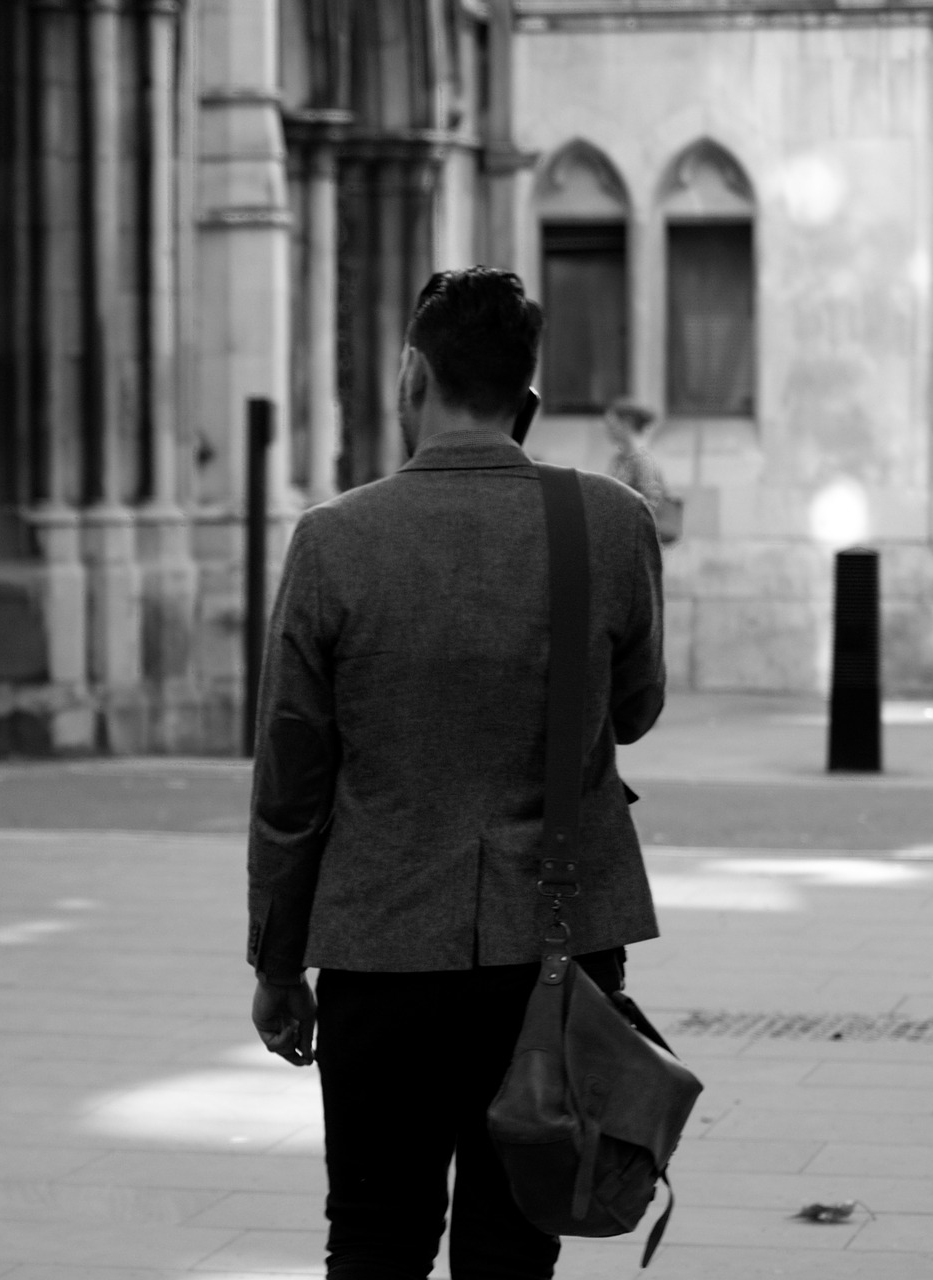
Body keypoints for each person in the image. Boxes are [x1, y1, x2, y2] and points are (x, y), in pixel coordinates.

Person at [245, 267, 667, 1280]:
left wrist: (275, 963)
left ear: (411, 376)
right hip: (554, 953)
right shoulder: (608, 524)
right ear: (527, 401)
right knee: (512, 1244)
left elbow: (290, 784)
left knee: (376, 1233)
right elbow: (637, 712)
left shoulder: (333, 540)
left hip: (380, 955)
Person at [603, 399, 680, 544]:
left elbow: (649, 504)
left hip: (636, 541)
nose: (608, 430)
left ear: (626, 423)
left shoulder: (642, 461)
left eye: (611, 425)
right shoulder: (620, 459)